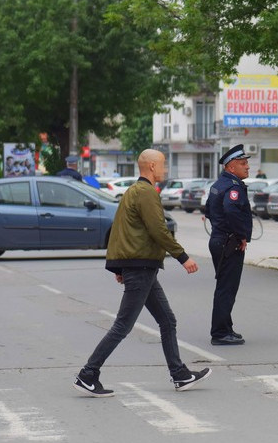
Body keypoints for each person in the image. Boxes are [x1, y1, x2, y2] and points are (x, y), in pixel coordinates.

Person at [73, 149, 209, 397]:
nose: (165, 170)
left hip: (140, 267)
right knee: (123, 325)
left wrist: (118, 265)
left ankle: (179, 374)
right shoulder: (146, 192)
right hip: (141, 268)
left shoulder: (132, 192)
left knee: (167, 320)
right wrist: (183, 257)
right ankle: (88, 374)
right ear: (152, 167)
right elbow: (158, 230)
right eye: (163, 165)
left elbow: (120, 230)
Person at [205, 144, 253, 345]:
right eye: (243, 164)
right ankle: (220, 333)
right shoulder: (233, 187)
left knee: (224, 287)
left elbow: (208, 210)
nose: (247, 167)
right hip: (229, 243)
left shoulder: (218, 184)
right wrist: (241, 235)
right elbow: (231, 211)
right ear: (231, 167)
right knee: (227, 288)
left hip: (219, 240)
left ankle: (226, 327)